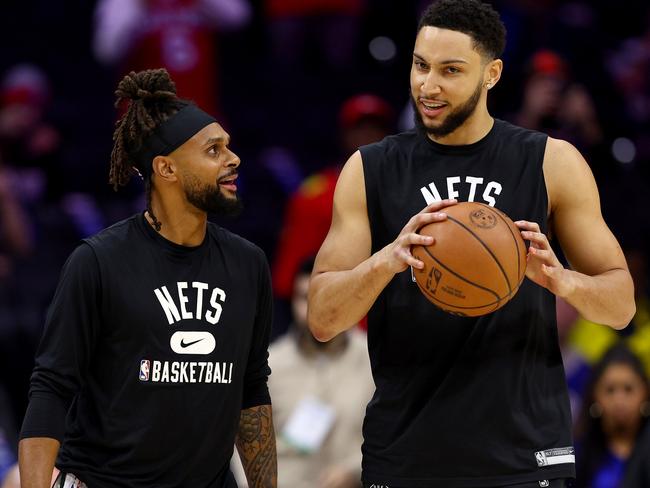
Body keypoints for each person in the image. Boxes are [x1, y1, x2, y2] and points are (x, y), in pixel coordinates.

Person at [307, 1, 635, 487]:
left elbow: (621, 306)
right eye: (420, 65)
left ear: (492, 74)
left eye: (450, 70)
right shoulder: (371, 169)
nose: (428, 85)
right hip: (407, 454)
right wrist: (385, 262)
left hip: (526, 455)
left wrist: (561, 281)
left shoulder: (550, 162)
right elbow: (322, 320)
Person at [18, 68, 277, 488]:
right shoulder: (98, 262)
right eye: (213, 150)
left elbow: (252, 392)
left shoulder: (248, 264)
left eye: (229, 147)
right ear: (166, 168)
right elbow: (50, 390)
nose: (233, 159)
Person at [574, 343, 649, 488]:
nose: (619, 401)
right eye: (610, 390)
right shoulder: (579, 452)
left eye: (628, 389)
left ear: (645, 393)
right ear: (594, 395)